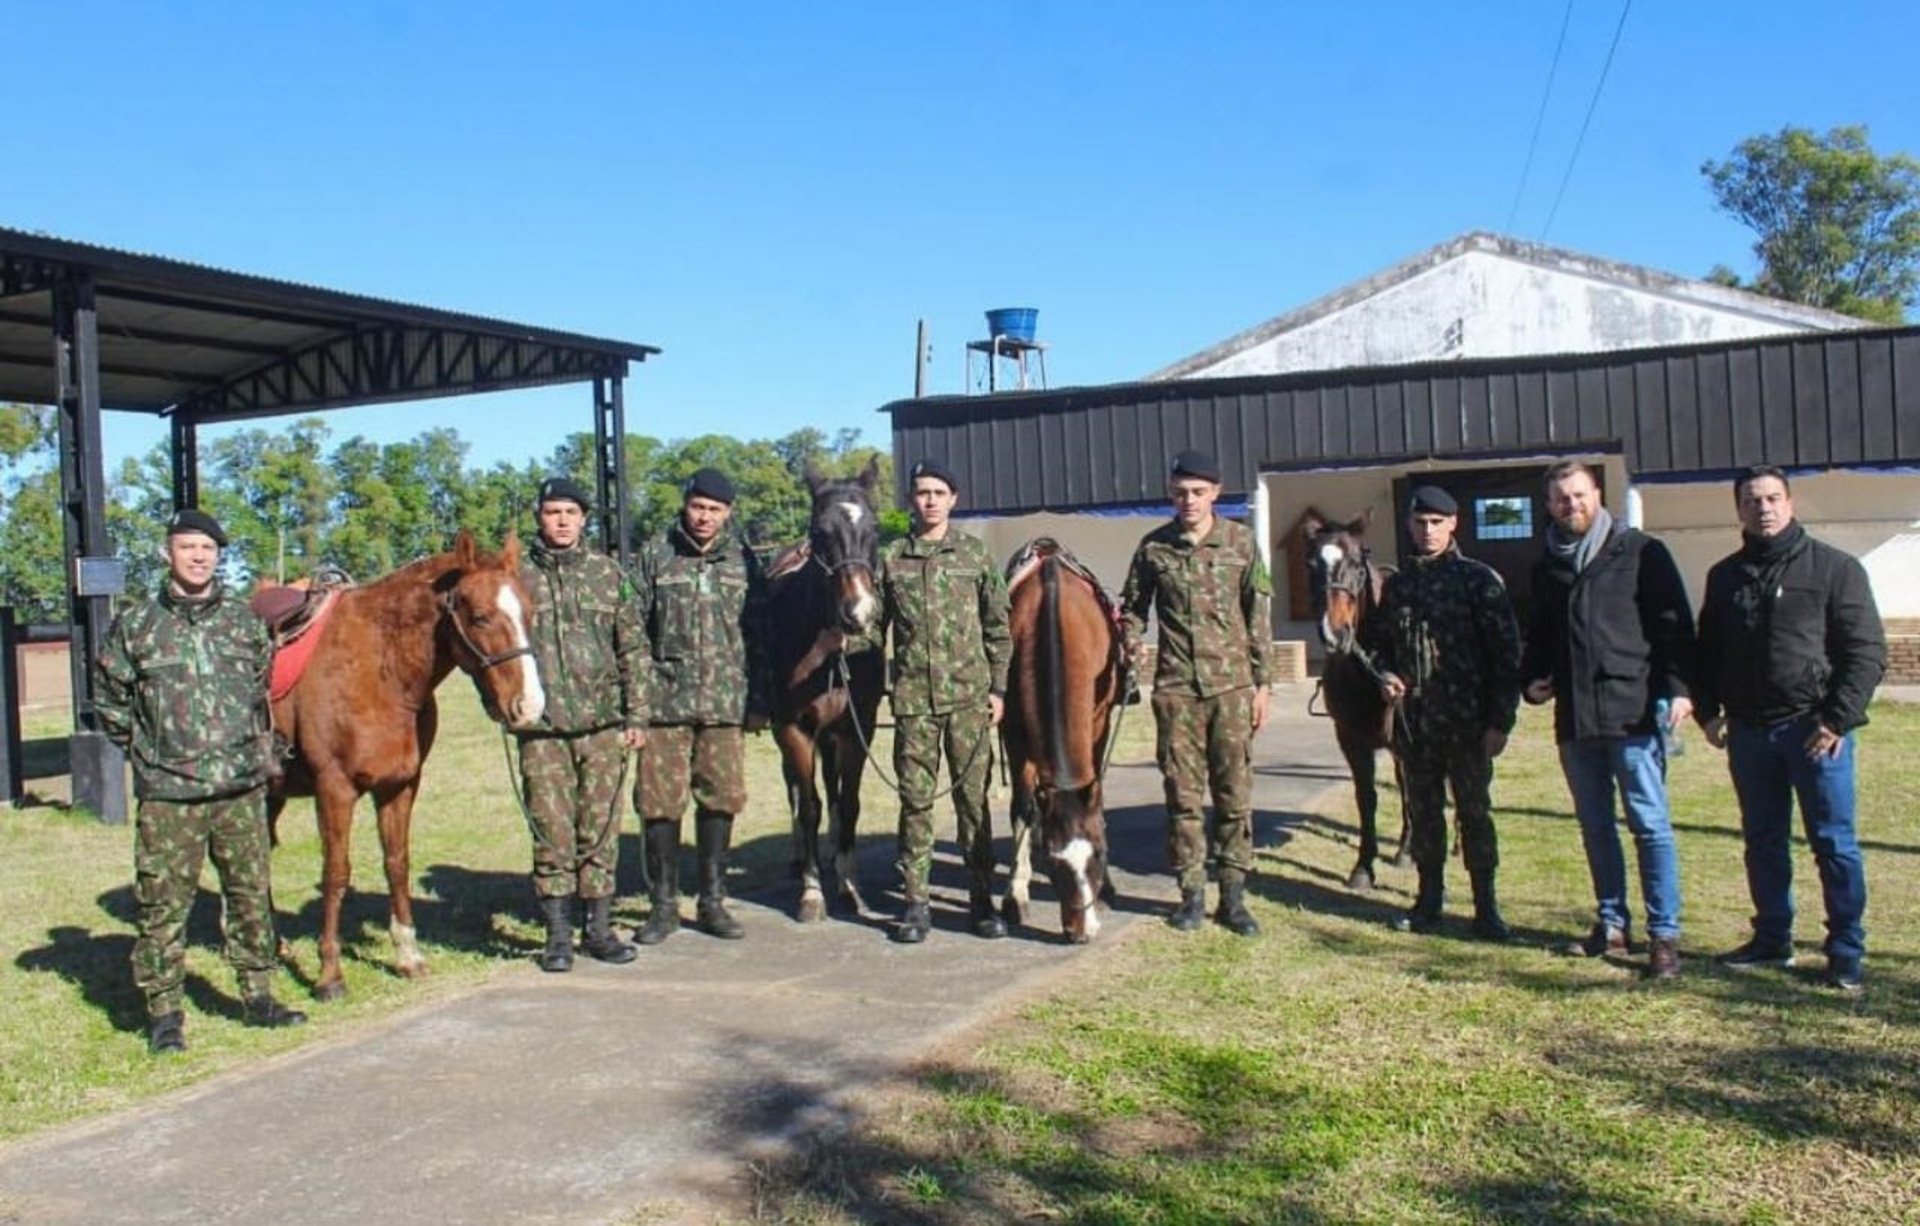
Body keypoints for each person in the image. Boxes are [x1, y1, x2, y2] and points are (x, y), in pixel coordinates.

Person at [95, 508, 306, 1054]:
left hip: (239, 789)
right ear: (168, 552)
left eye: (207, 550)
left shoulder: (243, 623)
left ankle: (258, 994)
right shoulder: (136, 626)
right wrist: (149, 756)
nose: (197, 557)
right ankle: (165, 1011)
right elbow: (111, 701)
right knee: (162, 905)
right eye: (187, 547)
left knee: (250, 896)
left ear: (218, 557)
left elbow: (259, 691)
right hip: (170, 795)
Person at [1694, 465, 1886, 992]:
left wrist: (1836, 718)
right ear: (1739, 510)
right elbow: (1706, 651)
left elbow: (1866, 652)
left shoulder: (1834, 569)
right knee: (1763, 841)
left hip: (1814, 731)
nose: (1764, 508)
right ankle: (1772, 938)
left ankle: (1846, 950)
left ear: (1791, 503)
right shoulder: (1725, 576)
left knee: (1834, 844)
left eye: (1773, 498)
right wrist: (1710, 712)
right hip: (1751, 733)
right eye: (1752, 500)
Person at [1522, 461, 1696, 979]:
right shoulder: (1546, 566)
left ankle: (1663, 935)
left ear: (1597, 494)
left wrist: (1681, 691)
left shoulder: (1641, 552)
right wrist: (1530, 681)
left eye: (1578, 495)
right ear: (1548, 505)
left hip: (1633, 716)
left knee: (1650, 826)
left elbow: (1674, 628)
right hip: (1576, 722)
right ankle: (1611, 924)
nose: (1569, 505)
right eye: (1559, 499)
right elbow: (1540, 638)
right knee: (1596, 827)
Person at [1119, 449, 1274, 937]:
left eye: (1199, 492)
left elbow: (1258, 617)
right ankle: (1191, 894)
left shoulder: (1241, 543)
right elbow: (1133, 609)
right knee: (1183, 797)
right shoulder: (1152, 549)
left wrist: (1263, 684)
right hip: (1177, 690)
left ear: (1216, 495)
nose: (1189, 500)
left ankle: (1233, 896)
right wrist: (1128, 644)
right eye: (1181, 492)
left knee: (1233, 796)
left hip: (1231, 689)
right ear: (1171, 493)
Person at [1366, 486, 1522, 939]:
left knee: (1474, 813)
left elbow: (1505, 654)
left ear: (1454, 524)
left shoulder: (1478, 580)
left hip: (1468, 723)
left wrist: (1500, 721)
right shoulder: (1399, 586)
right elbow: (1376, 645)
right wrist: (1385, 673)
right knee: (1424, 812)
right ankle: (1428, 900)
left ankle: (1486, 908)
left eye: (1437, 522)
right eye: (1420, 522)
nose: (1428, 530)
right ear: (1410, 526)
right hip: (1417, 725)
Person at [871, 458, 1011, 944]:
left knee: (974, 803)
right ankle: (915, 903)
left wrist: (998, 690)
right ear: (911, 499)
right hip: (914, 704)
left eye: (938, 492)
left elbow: (998, 629)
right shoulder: (890, 558)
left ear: (954, 499)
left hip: (969, 702)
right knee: (915, 803)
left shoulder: (975, 555)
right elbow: (873, 629)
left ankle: (980, 901)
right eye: (921, 491)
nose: (929, 499)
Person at [630, 467, 770, 943]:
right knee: (658, 805)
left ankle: (712, 902)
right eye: (698, 507)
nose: (705, 517)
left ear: (728, 513)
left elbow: (760, 638)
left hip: (724, 705)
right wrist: (636, 706)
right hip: (663, 705)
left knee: (721, 800)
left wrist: (759, 700)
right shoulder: (655, 557)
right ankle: (663, 907)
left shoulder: (743, 562)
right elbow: (632, 634)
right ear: (685, 505)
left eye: (715, 510)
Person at [516, 477, 645, 972]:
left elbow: (632, 649)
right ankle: (558, 937)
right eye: (553, 512)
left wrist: (637, 716)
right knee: (551, 832)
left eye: (571, 511)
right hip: (542, 730)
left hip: (602, 725)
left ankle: (599, 929)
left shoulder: (609, 575)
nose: (563, 520)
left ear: (585, 518)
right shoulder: (517, 578)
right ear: (539, 517)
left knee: (600, 829)